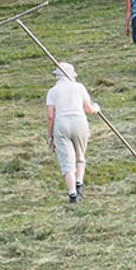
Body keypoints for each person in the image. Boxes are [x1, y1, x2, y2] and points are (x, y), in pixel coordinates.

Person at [45, 64, 100, 204]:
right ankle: (79, 184)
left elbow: (51, 116)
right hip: (79, 123)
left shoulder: (52, 91)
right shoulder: (79, 87)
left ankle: (72, 194)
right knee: (80, 157)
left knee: (66, 161)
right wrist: (96, 108)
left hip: (61, 124)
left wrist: (50, 136)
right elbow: (88, 109)